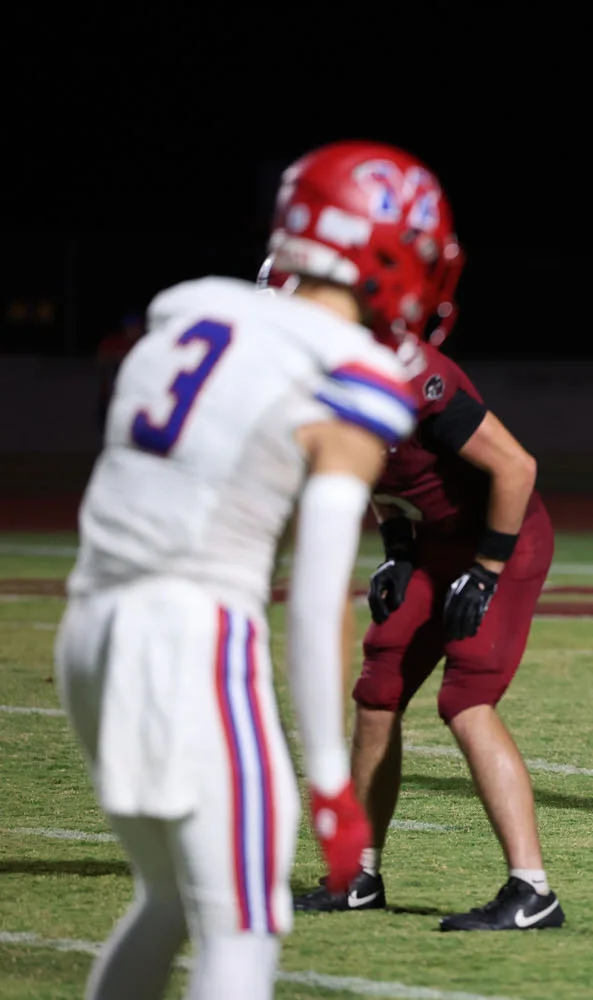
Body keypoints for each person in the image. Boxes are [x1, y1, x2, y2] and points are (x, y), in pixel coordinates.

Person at [49, 139, 459, 1000]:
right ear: (385, 251)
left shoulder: (186, 318)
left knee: (168, 901)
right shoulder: (346, 373)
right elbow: (315, 599)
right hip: (194, 636)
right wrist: (332, 782)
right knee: (244, 924)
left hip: (88, 630)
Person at [290, 247, 561, 932]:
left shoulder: (407, 373)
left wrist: (488, 568)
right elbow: (376, 475)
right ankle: (356, 876)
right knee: (377, 689)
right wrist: (398, 552)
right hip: (435, 544)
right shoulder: (312, 383)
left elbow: (516, 468)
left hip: (502, 539)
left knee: (466, 699)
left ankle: (533, 891)